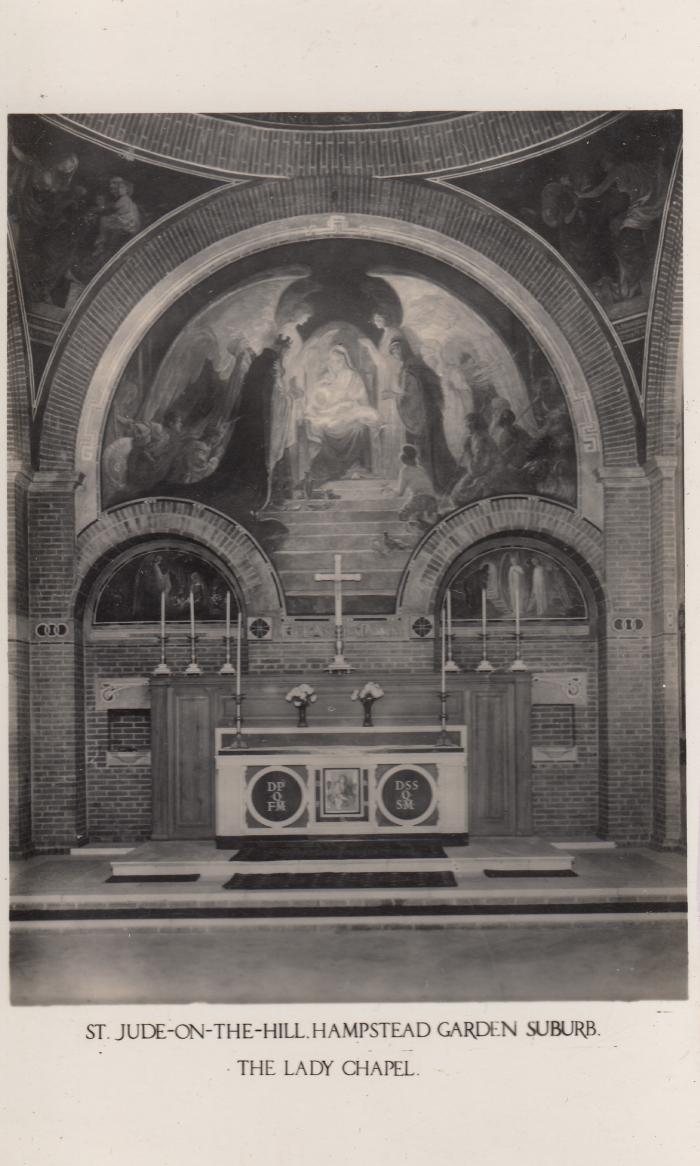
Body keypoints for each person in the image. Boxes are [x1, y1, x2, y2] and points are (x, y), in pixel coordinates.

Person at [304, 346, 381, 485]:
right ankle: (333, 466)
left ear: (345, 361)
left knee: (357, 427)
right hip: (331, 412)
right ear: (329, 362)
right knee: (321, 425)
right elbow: (318, 400)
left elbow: (362, 400)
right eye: (333, 361)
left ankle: (352, 465)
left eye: (339, 360)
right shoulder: (325, 378)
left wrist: (348, 404)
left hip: (349, 411)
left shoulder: (353, 376)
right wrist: (324, 390)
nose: (336, 364)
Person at [388, 338, 455, 492]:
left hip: (421, 416)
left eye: (397, 350)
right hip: (428, 413)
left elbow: (412, 395)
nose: (395, 354)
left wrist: (396, 396)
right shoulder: (416, 365)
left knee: (426, 449)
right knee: (432, 448)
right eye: (392, 352)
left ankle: (433, 485)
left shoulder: (410, 368)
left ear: (404, 349)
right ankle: (438, 483)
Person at [450, 413, 501, 507]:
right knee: (456, 493)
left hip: (489, 474)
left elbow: (476, 470)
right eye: (466, 423)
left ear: (475, 424)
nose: (466, 426)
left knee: (458, 497)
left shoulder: (480, 439)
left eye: (469, 423)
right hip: (484, 470)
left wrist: (467, 449)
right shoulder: (477, 436)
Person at [388, 444, 438, 529]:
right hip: (432, 500)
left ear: (404, 459)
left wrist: (390, 490)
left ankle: (410, 535)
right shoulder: (420, 468)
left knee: (402, 515)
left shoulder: (405, 470)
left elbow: (400, 493)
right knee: (422, 521)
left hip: (419, 499)